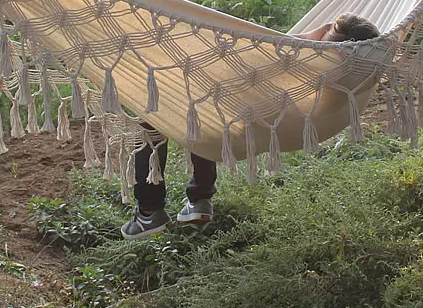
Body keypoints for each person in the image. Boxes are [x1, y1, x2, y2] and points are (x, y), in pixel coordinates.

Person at [121, 13, 381, 239]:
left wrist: (309, 39)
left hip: (244, 121)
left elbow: (260, 54)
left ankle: (149, 210)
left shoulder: (310, 66)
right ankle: (200, 199)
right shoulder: (352, 79)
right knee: (200, 99)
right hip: (269, 123)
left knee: (152, 112)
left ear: (328, 51)